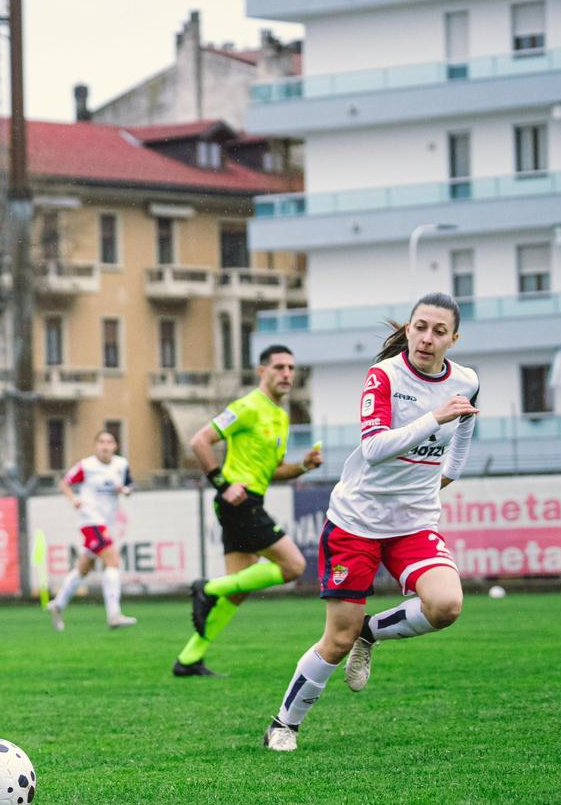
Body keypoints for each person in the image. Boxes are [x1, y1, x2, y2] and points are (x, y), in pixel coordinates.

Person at [264, 294, 477, 751]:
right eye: (420, 327)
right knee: (336, 640)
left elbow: (463, 433)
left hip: (414, 523)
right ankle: (283, 725)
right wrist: (434, 417)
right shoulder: (384, 376)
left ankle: (370, 631)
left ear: (454, 339)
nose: (427, 338)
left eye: (439, 331)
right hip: (357, 522)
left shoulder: (467, 380)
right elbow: (375, 448)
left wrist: (447, 476)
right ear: (408, 329)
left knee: (446, 606)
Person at [174, 344, 324, 677]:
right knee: (294, 565)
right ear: (262, 371)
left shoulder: (281, 416)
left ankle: (188, 659)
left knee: (239, 590)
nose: (287, 374)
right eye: (279, 367)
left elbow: (274, 470)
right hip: (238, 504)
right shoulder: (246, 406)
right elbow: (199, 441)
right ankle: (207, 589)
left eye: (291, 368)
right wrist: (222, 484)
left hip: (250, 502)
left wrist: (303, 466)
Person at [46, 429, 136, 630]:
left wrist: (124, 490)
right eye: (102, 442)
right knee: (113, 561)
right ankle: (114, 615)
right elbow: (64, 483)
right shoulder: (87, 466)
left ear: (115, 446)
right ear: (96, 446)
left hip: (107, 523)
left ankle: (58, 605)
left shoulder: (121, 465)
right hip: (90, 520)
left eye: (109, 442)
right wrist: (74, 499)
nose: (105, 446)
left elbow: (130, 487)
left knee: (83, 568)